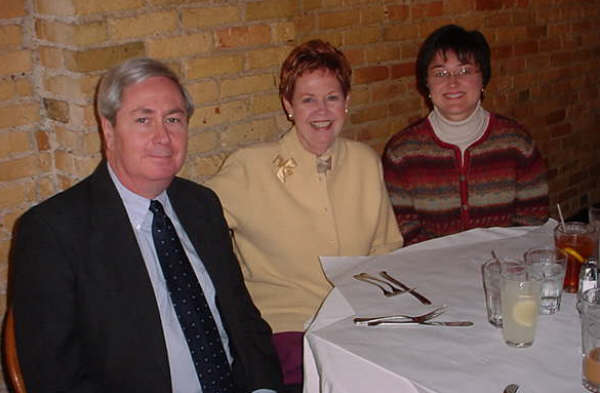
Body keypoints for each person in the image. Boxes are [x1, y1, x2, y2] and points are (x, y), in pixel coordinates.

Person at [11, 57, 282, 393]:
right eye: (143, 120)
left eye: (173, 119)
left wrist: (264, 388)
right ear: (108, 131)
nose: (163, 137)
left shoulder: (202, 205)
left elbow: (244, 320)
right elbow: (53, 378)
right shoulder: (53, 232)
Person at [205, 40, 403, 391]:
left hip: (357, 320)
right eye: (308, 99)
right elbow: (195, 222)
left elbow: (386, 247)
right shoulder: (250, 167)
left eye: (332, 97)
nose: (322, 110)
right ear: (289, 106)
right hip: (286, 327)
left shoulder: (365, 162)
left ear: (347, 102)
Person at [382, 24, 549, 245]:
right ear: (427, 84)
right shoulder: (402, 153)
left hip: (505, 269)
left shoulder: (516, 143)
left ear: (483, 80)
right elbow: (403, 229)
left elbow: (533, 218)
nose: (452, 82)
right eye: (440, 73)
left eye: (465, 71)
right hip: (430, 271)